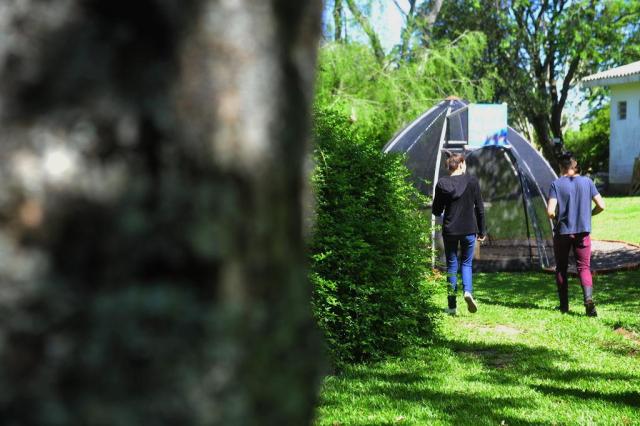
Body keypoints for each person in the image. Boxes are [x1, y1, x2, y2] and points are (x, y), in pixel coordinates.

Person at [547, 152, 606, 316]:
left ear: (561, 167)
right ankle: (588, 299)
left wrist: (558, 217)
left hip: (563, 232)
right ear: (575, 165)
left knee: (561, 268)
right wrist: (589, 214)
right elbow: (602, 205)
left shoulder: (556, 184)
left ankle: (564, 306)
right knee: (584, 267)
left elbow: (550, 211)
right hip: (583, 231)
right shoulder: (587, 182)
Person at [432, 152, 486, 315]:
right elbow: (480, 209)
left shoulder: (442, 183)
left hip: (450, 230)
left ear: (449, 166)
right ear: (461, 164)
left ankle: (452, 306)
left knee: (451, 266)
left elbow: (436, 210)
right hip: (469, 229)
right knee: (467, 263)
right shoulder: (472, 181)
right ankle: (467, 291)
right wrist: (482, 231)